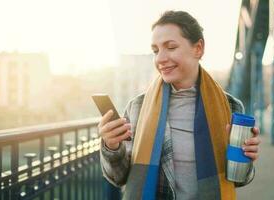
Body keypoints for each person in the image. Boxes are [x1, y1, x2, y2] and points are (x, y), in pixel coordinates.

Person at [99, 10, 261, 200]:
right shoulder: (138, 107)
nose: (160, 58)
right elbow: (118, 177)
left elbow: (240, 179)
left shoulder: (231, 106)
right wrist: (111, 146)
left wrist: (246, 157)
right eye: (156, 50)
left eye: (171, 47)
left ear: (198, 48)